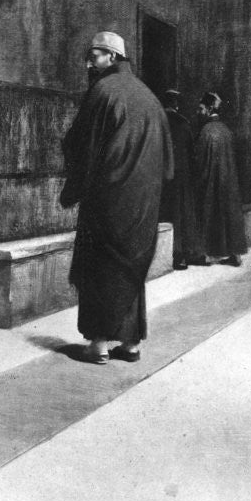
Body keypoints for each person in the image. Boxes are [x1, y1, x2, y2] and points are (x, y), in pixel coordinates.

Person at [60, 31, 173, 364]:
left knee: (99, 265)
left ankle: (98, 344)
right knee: (130, 268)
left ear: (112, 57)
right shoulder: (150, 98)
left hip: (107, 196)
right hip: (144, 202)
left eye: (94, 56)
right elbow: (168, 162)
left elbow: (81, 145)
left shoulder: (103, 91)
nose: (88, 63)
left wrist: (75, 187)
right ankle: (131, 343)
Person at [194, 92, 247, 267]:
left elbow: (199, 163)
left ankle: (207, 255)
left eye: (201, 109)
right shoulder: (225, 130)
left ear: (209, 109)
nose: (198, 112)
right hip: (228, 182)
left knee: (210, 214)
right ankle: (235, 254)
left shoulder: (206, 131)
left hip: (211, 182)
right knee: (229, 216)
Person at [159, 89, 207, 269]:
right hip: (183, 178)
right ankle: (186, 254)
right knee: (184, 215)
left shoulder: (157, 122)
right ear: (176, 105)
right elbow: (192, 154)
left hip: (163, 177)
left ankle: (175, 256)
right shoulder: (184, 124)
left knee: (167, 215)